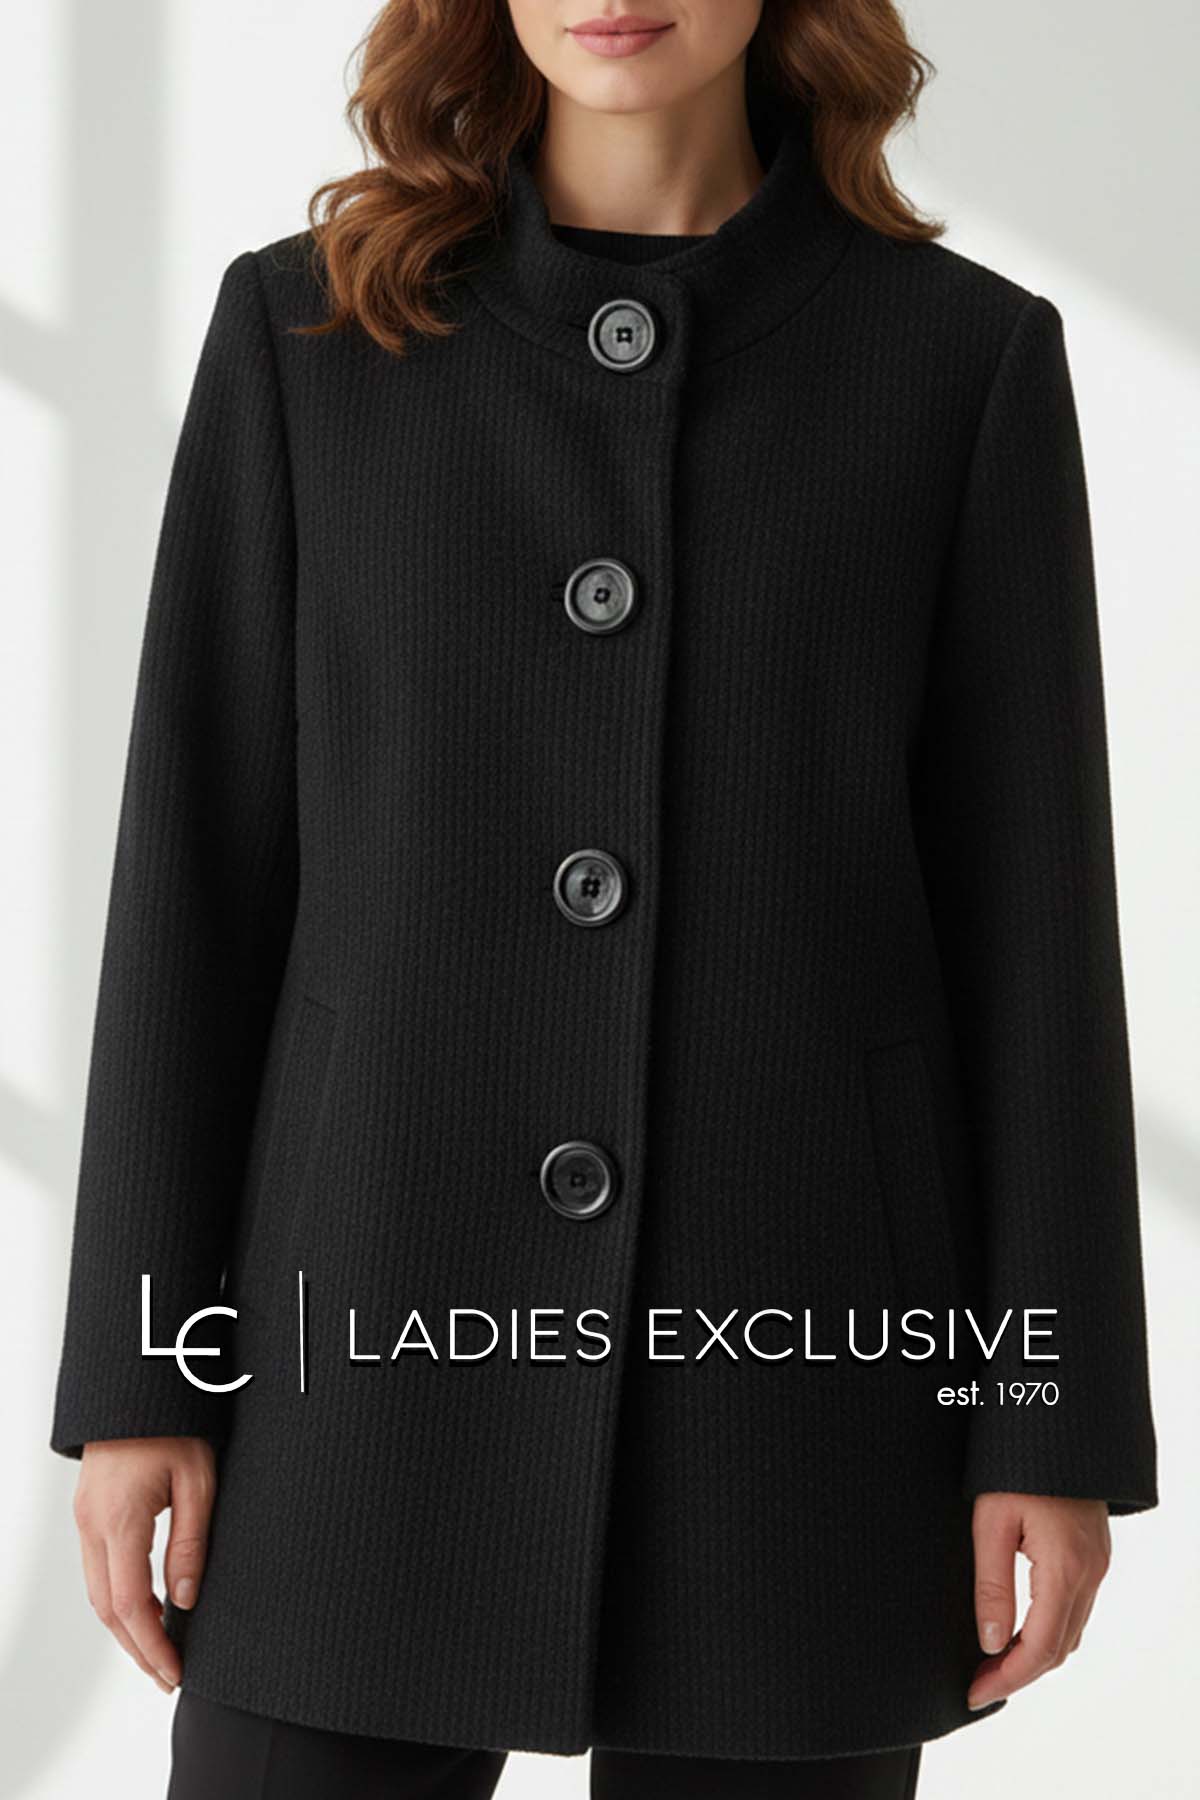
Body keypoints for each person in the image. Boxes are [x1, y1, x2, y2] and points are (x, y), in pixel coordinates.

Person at [50, 2, 1159, 1796]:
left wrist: (1043, 1411)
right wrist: (142, 1374)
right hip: (353, 1370)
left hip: (802, 1386)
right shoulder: (309, 335)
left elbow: (1032, 932)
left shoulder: (957, 360)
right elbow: (199, 877)